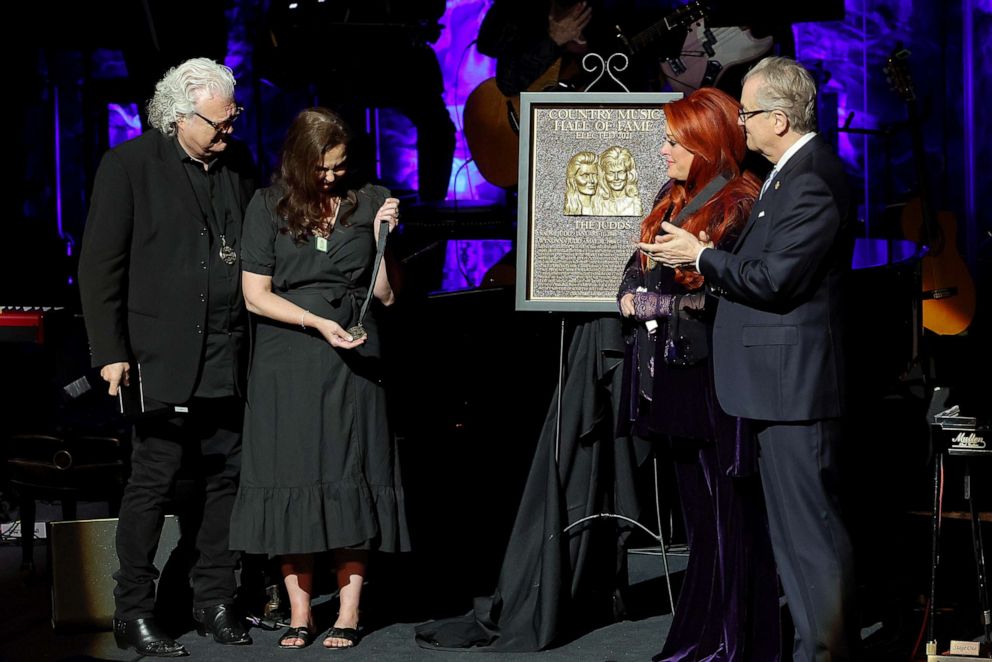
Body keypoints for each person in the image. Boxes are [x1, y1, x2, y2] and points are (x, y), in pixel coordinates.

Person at [647, 56, 857, 661]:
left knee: (810, 538)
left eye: (749, 112)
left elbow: (777, 279)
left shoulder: (814, 178)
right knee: (792, 540)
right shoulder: (785, 175)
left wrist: (702, 255)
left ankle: (828, 652)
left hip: (796, 391)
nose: (740, 122)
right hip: (770, 388)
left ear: (781, 120)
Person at [78, 57, 257, 656]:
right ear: (179, 116)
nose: (228, 131)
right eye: (218, 123)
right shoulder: (128, 166)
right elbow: (100, 265)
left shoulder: (237, 167)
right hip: (160, 358)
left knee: (225, 480)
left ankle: (213, 599)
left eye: (232, 120)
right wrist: (110, 352)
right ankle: (133, 608)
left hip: (228, 354)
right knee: (153, 483)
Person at [228, 107, 410, 650]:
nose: (330, 177)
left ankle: (349, 611)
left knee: (349, 475)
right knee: (292, 477)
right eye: (322, 167)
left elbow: (386, 295)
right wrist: (315, 320)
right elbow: (255, 296)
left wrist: (384, 239)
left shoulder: (370, 200)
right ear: (298, 160)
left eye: (338, 166)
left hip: (353, 356)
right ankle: (300, 612)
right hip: (289, 360)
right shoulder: (267, 207)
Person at [617, 87, 779, 662]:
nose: (663, 150)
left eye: (673, 140)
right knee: (700, 521)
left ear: (705, 143)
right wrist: (634, 295)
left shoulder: (738, 201)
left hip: (715, 382)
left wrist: (652, 305)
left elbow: (725, 298)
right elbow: (630, 276)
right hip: (672, 381)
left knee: (729, 516)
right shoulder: (673, 195)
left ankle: (735, 641)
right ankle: (703, 635)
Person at [598, 146, 641, 216]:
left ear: (629, 174)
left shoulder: (635, 204)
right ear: (604, 175)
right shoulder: (598, 204)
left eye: (620, 172)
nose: (616, 178)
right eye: (611, 173)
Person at [563, 151, 603, 215]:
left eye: (595, 175)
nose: (592, 180)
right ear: (573, 179)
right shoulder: (569, 208)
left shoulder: (605, 208)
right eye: (585, 175)